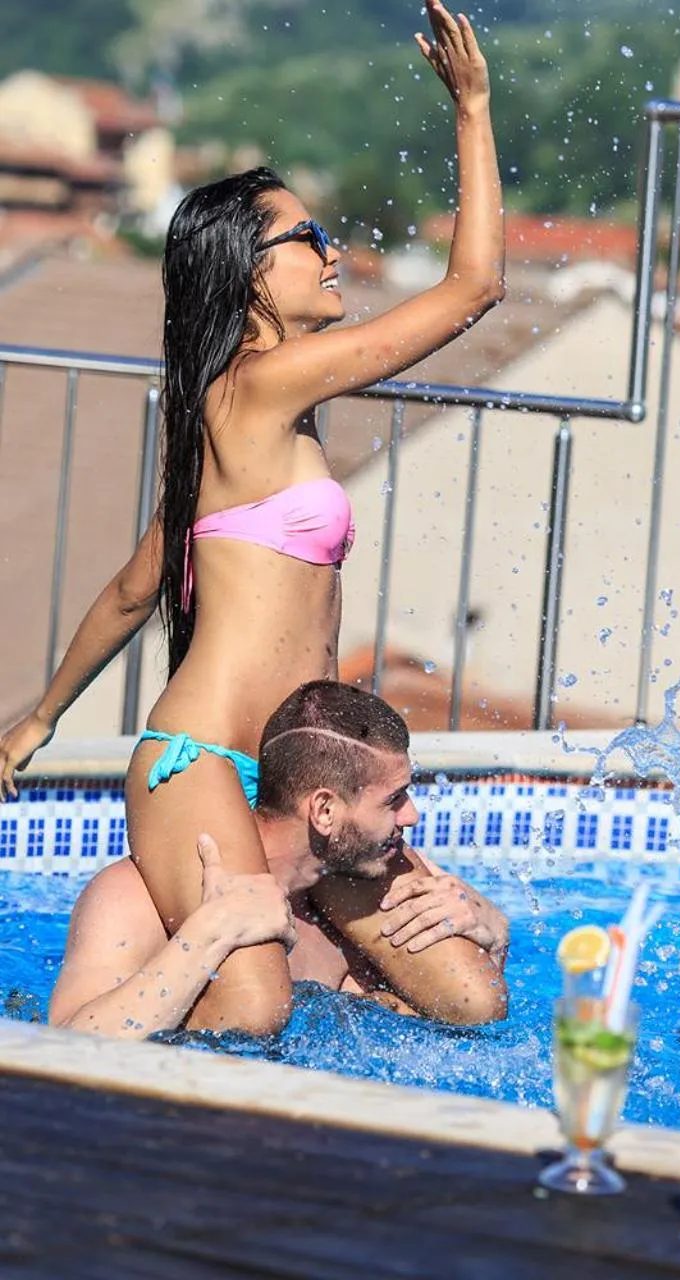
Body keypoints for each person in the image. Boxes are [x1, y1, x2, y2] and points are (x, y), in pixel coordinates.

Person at [0, 1, 505, 1036]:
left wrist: (40, 715)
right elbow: (475, 286)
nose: (331, 251)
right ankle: (121, 956)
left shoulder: (252, 417)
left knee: (467, 995)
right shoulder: (261, 384)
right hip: (206, 763)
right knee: (253, 1008)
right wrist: (473, 107)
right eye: (305, 238)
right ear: (248, 274)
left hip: (306, 776)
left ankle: (188, 918)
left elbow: (141, 581)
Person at [48, 680, 510, 1038]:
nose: (411, 816)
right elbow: (63, 1049)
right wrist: (208, 933)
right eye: (394, 800)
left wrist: (494, 938)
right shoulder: (133, 896)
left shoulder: (347, 914)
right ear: (324, 811)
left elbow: (436, 1035)